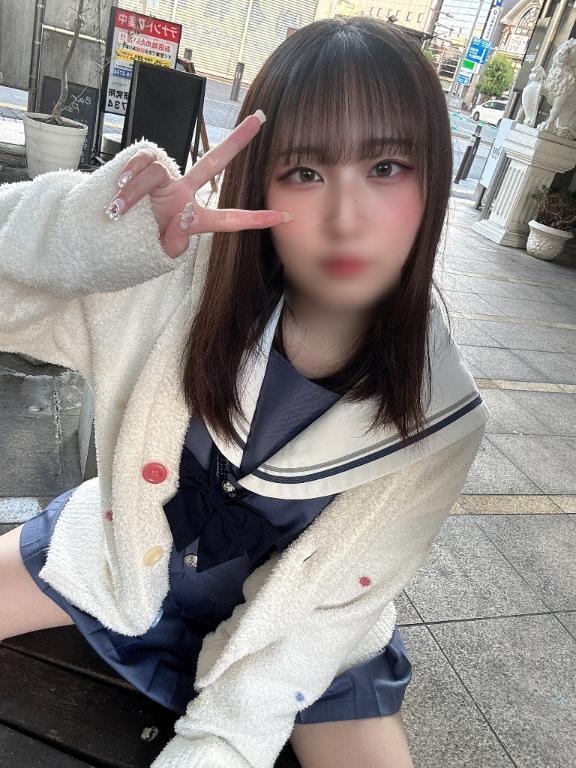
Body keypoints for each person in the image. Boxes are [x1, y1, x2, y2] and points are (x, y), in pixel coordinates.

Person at [0, 16, 490, 768]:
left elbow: (311, 631)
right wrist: (90, 238)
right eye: (306, 172)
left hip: (298, 628)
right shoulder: (173, 283)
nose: (346, 217)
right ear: (259, 178)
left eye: (387, 166)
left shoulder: (441, 418)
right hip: (118, 560)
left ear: (436, 180)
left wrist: (217, 747)